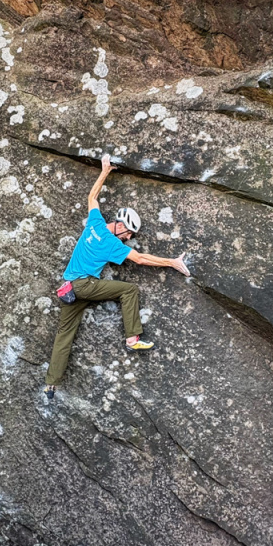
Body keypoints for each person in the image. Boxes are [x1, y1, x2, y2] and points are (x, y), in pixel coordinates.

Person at [43, 154, 190, 402]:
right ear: (121, 226)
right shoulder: (112, 244)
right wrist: (172, 262)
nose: (128, 239)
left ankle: (51, 385)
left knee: (64, 336)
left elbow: (92, 197)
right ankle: (132, 338)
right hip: (85, 285)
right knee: (129, 290)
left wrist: (104, 171)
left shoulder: (94, 224)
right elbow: (141, 259)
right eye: (129, 234)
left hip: (69, 288)